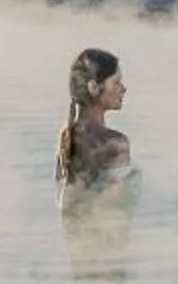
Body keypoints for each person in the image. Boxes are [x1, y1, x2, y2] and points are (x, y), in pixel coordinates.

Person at [55, 46, 134, 194]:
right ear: (94, 87)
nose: (123, 89)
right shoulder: (115, 143)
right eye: (116, 82)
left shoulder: (67, 137)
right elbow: (123, 204)